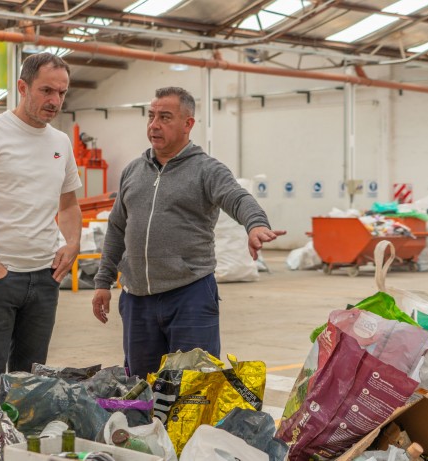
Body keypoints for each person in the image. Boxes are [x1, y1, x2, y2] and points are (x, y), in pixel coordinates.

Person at [91, 87, 286, 379]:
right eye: (151, 116)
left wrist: (256, 224)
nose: (154, 125)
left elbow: (237, 197)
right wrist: (103, 280)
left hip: (189, 296)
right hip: (137, 300)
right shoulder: (133, 171)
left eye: (165, 117)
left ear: (188, 123)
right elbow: (117, 228)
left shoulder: (206, 170)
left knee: (194, 387)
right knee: (141, 386)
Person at [0, 52, 83, 424]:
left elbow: (70, 203)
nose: (55, 101)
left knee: (29, 379)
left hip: (44, 279)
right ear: (23, 87)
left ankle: (17, 447)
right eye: (46, 90)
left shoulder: (60, 140)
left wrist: (72, 243)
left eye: (62, 93)